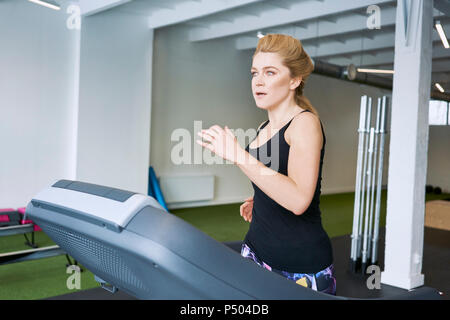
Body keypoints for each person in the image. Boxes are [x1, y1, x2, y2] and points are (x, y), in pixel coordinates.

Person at [196, 34, 336, 295]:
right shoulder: (264, 127)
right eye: (254, 73)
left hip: (297, 264)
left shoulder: (305, 123)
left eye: (270, 72)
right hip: (255, 251)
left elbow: (298, 200)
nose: (258, 81)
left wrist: (238, 154)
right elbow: (276, 177)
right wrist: (261, 198)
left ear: (295, 80)